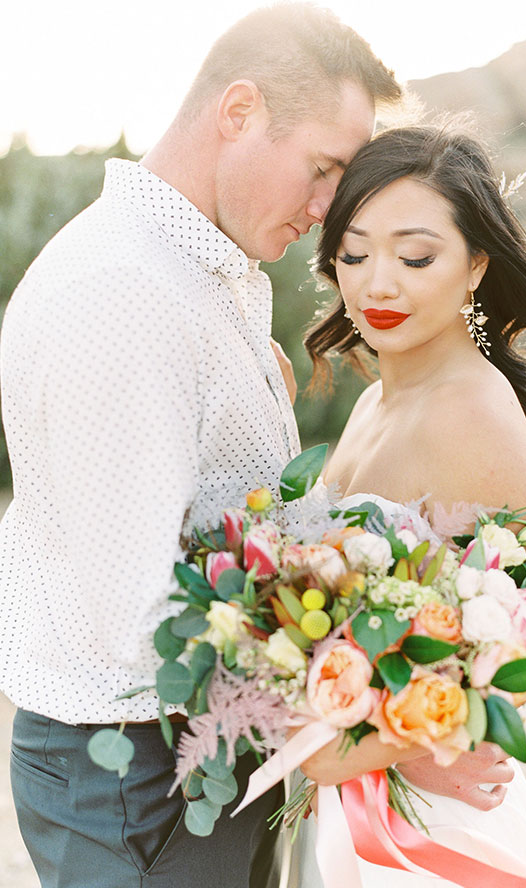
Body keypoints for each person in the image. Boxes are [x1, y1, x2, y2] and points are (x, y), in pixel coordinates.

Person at [0, 6, 403, 887]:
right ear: (239, 113)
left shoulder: (194, 271)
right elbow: (138, 619)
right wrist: (353, 703)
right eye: (325, 167)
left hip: (187, 755)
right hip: (138, 776)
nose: (332, 207)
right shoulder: (126, 293)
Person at [296, 123, 526, 886]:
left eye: (416, 257)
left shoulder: (472, 411)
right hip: (349, 808)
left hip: (427, 828)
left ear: (477, 265)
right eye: (354, 254)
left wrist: (340, 751)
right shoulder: (371, 404)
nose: (378, 284)